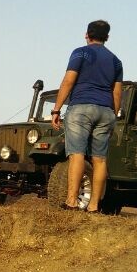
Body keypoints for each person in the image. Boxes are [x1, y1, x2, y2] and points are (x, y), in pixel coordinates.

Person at [52, 20, 123, 212]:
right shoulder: (116, 61)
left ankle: (72, 202)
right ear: (107, 37)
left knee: (77, 154)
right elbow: (117, 93)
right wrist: (113, 116)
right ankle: (93, 206)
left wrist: (56, 109)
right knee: (100, 159)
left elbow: (69, 80)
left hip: (81, 107)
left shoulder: (80, 52)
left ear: (86, 35)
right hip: (106, 110)